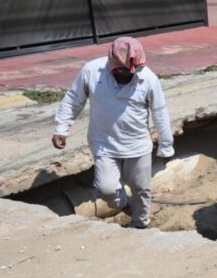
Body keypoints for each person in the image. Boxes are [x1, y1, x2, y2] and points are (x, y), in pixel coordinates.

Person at [52, 36, 173, 229]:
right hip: (103, 143)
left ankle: (141, 223)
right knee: (106, 188)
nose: (128, 74)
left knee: (141, 189)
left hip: (137, 145)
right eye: (122, 71)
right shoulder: (92, 71)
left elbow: (160, 112)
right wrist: (61, 128)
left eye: (133, 70)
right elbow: (74, 99)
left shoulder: (148, 78)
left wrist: (166, 146)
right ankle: (124, 204)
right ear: (111, 62)